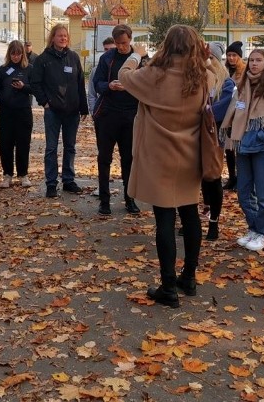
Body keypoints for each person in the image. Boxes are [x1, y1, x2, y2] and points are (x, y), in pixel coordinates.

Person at [118, 25, 214, 308]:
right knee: (190, 214)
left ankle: (168, 286)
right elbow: (219, 75)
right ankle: (190, 278)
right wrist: (207, 58)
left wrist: (135, 55)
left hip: (159, 157)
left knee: (164, 220)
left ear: (167, 45)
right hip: (189, 155)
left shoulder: (155, 76)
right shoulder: (202, 76)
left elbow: (124, 77)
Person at [220, 48, 264, 252]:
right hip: (243, 147)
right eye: (252, 60)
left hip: (262, 150)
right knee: (244, 192)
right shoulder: (242, 86)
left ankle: (263, 234)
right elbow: (233, 111)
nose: (254, 64)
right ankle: (254, 229)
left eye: (259, 60)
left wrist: (261, 137)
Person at [30, 24, 89, 198]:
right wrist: (44, 103)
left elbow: (80, 83)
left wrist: (83, 107)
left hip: (72, 111)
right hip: (53, 111)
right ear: (53, 38)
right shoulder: (43, 59)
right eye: (59, 35)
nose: (63, 38)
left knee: (70, 147)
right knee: (51, 148)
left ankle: (68, 181)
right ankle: (51, 183)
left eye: (65, 36)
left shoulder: (73, 57)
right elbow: (35, 83)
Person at [91, 25, 142, 216]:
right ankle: (104, 201)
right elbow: (97, 84)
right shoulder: (107, 58)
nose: (121, 47)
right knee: (104, 158)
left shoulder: (139, 58)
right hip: (108, 115)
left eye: (125, 43)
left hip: (131, 114)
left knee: (128, 158)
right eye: (118, 43)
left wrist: (129, 87)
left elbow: (146, 83)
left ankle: (130, 199)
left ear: (130, 40)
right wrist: (109, 85)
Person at [202, 42, 235, 239]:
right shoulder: (197, 77)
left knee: (212, 177)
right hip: (195, 134)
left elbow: (224, 106)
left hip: (214, 136)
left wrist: (204, 112)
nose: (208, 62)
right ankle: (195, 216)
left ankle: (214, 221)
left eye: (211, 58)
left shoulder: (226, 82)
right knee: (196, 178)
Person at [0, 40, 34, 188]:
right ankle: (7, 174)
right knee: (5, 144)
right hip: (6, 111)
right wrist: (3, 96)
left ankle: (23, 174)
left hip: (23, 111)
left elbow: (35, 89)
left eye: (18, 54)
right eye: (13, 54)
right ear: (9, 54)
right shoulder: (3, 69)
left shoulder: (29, 69)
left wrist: (23, 87)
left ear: (22, 54)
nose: (16, 57)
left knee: (23, 144)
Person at [223, 41, 245, 190]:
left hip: (240, 112)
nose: (231, 58)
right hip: (226, 112)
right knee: (228, 147)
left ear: (239, 57)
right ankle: (232, 177)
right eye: (229, 55)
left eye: (234, 55)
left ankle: (242, 178)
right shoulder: (224, 71)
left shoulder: (244, 72)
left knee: (240, 147)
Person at [87, 37, 115, 116]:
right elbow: (92, 93)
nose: (108, 52)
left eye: (112, 49)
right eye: (106, 49)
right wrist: (93, 112)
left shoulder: (123, 69)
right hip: (101, 112)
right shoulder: (95, 70)